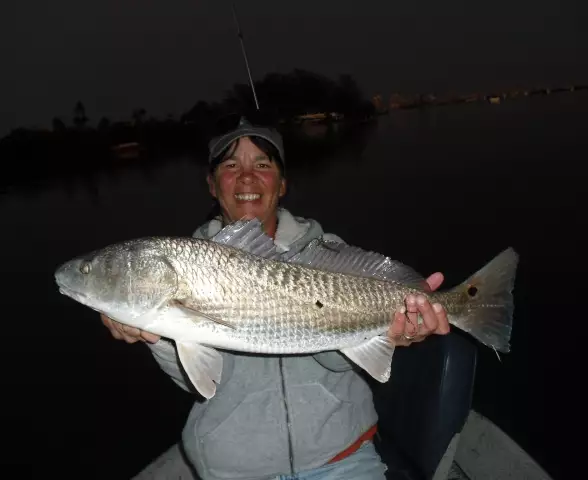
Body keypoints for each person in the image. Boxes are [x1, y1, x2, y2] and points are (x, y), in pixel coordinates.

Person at [101, 115, 450, 480]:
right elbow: (204, 380)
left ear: (282, 184)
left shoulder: (331, 256)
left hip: (341, 456)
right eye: (231, 165)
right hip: (235, 469)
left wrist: (389, 332)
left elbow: (339, 362)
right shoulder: (188, 266)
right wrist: (153, 334)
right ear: (212, 184)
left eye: (263, 165)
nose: (247, 176)